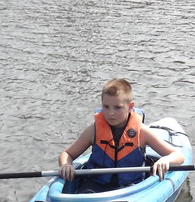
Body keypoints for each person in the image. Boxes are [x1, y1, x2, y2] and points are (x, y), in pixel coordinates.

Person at [57, 78, 185, 192]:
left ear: (130, 107)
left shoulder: (142, 132)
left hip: (131, 187)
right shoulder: (94, 130)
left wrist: (165, 160)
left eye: (117, 107)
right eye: (106, 107)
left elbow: (178, 156)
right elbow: (67, 154)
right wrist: (66, 165)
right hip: (95, 185)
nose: (110, 113)